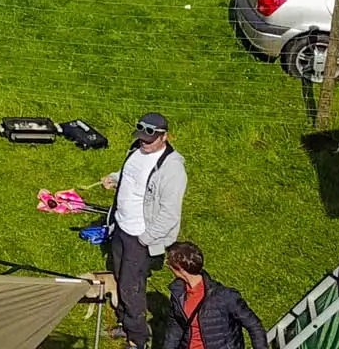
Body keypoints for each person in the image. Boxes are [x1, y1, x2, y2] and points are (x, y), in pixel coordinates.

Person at [102, 113, 188, 349]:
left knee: (132, 287)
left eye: (149, 140)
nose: (144, 143)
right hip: (121, 226)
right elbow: (133, 177)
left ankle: (137, 339)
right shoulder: (137, 150)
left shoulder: (172, 170)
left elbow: (169, 214)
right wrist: (114, 178)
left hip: (139, 237)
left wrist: (145, 239)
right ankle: (125, 321)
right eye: (141, 139)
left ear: (164, 137)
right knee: (120, 277)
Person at [160, 243, 265, 349]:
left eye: (168, 262)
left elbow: (254, 326)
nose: (167, 266)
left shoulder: (224, 296)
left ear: (180, 268)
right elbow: (175, 327)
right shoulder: (178, 293)